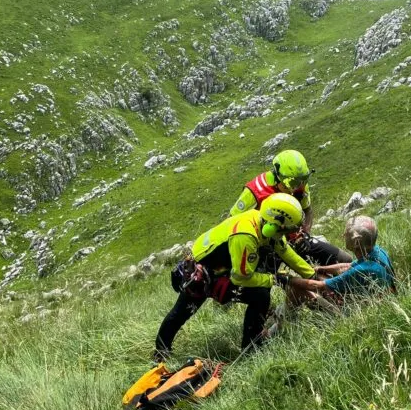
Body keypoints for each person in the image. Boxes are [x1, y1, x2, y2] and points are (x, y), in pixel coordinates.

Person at [153, 193, 316, 361]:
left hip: (221, 267)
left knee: (259, 293)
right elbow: (241, 277)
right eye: (288, 230)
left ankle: (252, 344)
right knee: (183, 312)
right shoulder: (246, 236)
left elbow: (285, 251)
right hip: (202, 274)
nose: (288, 234)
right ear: (275, 226)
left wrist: (312, 274)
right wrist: (273, 279)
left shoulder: (261, 221)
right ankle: (161, 353)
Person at [230, 149, 352, 267]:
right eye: (292, 183)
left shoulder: (300, 184)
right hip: (265, 247)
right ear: (277, 176)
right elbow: (232, 221)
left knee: (345, 260)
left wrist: (304, 234)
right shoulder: (255, 190)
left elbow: (307, 210)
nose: (298, 187)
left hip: (295, 240)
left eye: (304, 180)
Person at [281, 215, 395, 312]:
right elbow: (347, 266)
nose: (344, 235)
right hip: (369, 299)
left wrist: (288, 279)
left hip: (354, 312)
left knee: (297, 289)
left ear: (356, 242)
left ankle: (281, 321)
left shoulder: (362, 270)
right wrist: (320, 268)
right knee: (317, 275)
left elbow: (318, 286)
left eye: (347, 234)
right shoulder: (378, 251)